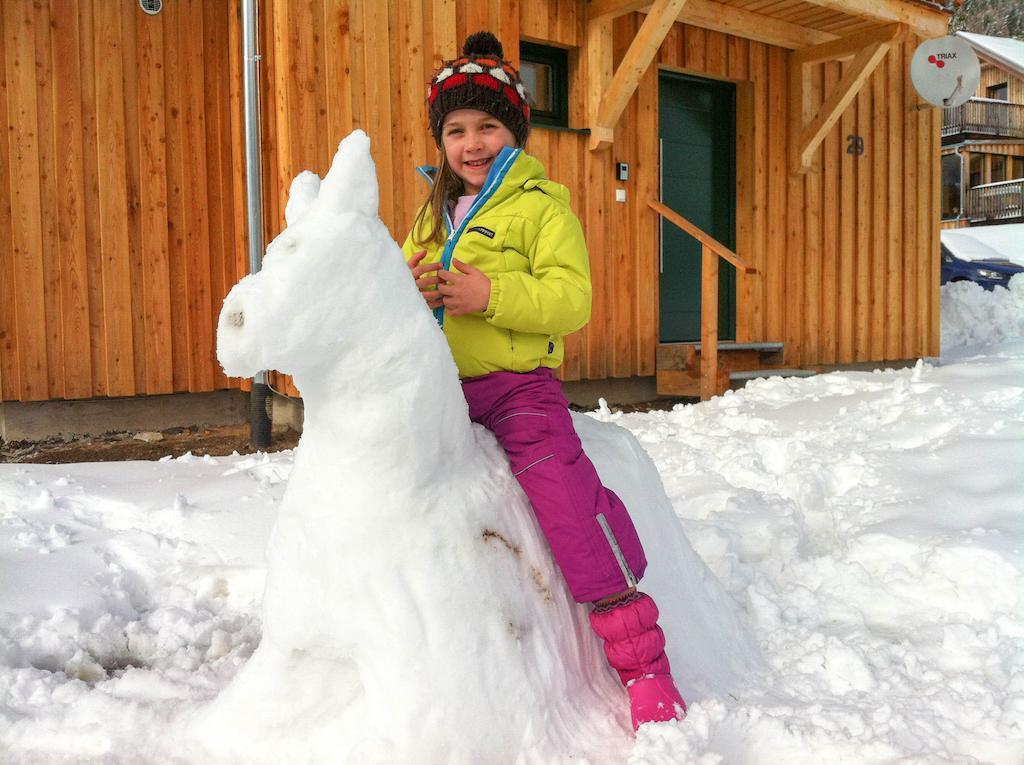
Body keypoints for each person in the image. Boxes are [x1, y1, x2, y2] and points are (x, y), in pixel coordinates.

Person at [401, 31, 686, 731]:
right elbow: (395, 284)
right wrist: (407, 285)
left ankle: (641, 659)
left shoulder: (540, 206)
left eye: (488, 126)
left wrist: (490, 294)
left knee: (563, 492)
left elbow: (571, 297)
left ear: (514, 132)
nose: (472, 142)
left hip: (515, 386)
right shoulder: (429, 211)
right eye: (457, 129)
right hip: (439, 385)